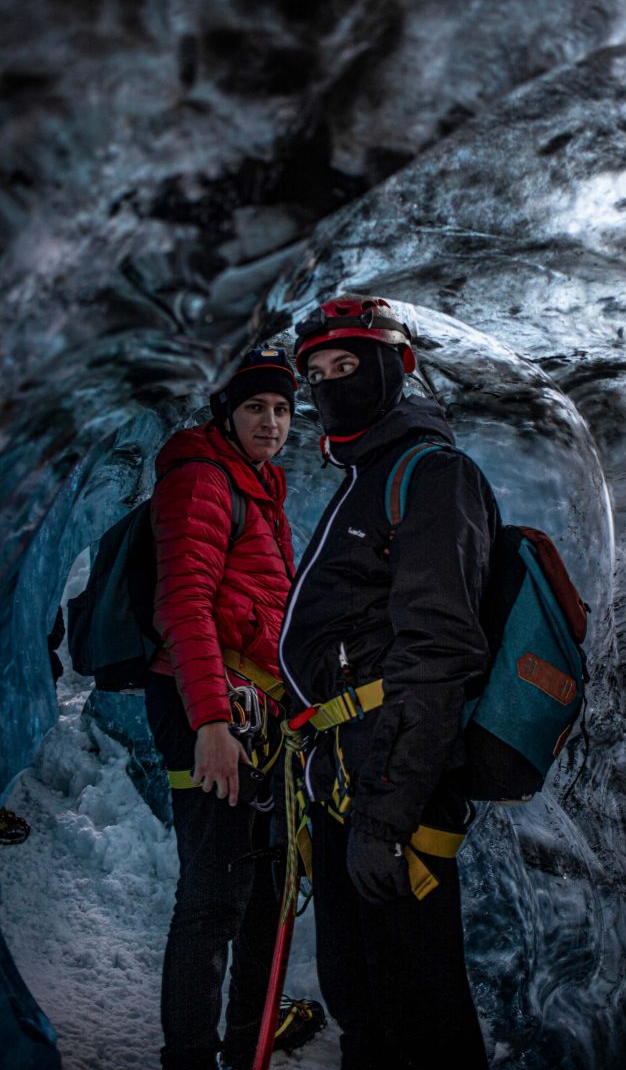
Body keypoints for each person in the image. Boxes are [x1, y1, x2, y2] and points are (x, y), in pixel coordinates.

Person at [279, 296, 500, 1070]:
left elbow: (436, 653)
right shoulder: (365, 479)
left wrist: (384, 816)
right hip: (348, 781)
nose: (331, 384)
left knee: (419, 1016)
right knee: (363, 1003)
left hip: (390, 796)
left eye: (349, 366)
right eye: (318, 374)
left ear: (396, 368)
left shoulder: (431, 477)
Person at [143, 345, 325, 1070]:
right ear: (227, 411)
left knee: (267, 898)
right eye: (255, 406)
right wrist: (211, 725)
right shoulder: (201, 479)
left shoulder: (260, 487)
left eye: (282, 409)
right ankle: (190, 1058)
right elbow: (184, 605)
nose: (272, 422)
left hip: (262, 714)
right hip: (215, 709)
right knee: (214, 898)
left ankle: (247, 1048)